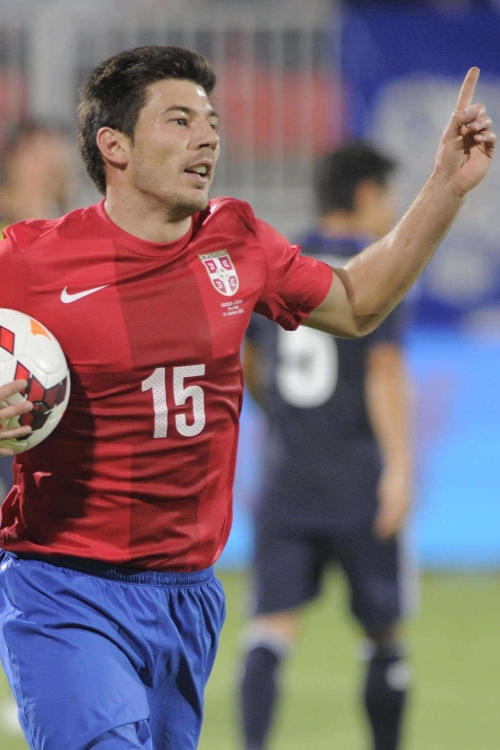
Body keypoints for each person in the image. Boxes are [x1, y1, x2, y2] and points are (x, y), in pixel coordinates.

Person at [0, 45, 494, 750]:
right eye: (180, 120)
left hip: (187, 596)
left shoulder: (238, 241)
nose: (207, 137)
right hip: (64, 587)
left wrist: (446, 185)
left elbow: (358, 303)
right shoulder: (30, 258)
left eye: (211, 121)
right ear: (115, 145)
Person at [238, 142, 415, 750]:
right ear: (366, 194)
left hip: (285, 476)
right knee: (383, 633)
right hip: (357, 478)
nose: (391, 211)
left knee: (270, 628)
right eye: (388, 197)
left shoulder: (279, 262)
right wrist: (400, 467)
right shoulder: (375, 269)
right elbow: (383, 372)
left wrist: (282, 419)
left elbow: (249, 363)